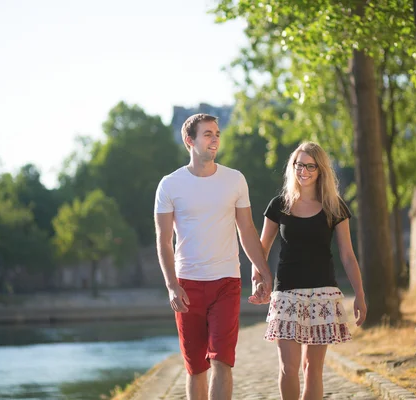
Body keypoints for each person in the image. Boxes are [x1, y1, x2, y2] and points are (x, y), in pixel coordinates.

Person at [153, 113, 272, 400]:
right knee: (196, 369)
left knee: (222, 361)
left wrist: (265, 272)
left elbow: (247, 229)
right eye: (207, 134)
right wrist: (171, 285)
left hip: (226, 283)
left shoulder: (234, 180)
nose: (215, 139)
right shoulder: (169, 185)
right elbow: (163, 241)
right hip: (187, 285)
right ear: (189, 140)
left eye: (217, 133)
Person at [250, 141, 367, 400]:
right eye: (298, 165)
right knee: (288, 368)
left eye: (310, 166)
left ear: (320, 170)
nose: (303, 171)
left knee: (312, 369)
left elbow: (348, 255)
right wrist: (257, 280)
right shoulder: (278, 205)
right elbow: (260, 250)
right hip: (286, 295)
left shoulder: (334, 207)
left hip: (323, 295)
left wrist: (359, 293)